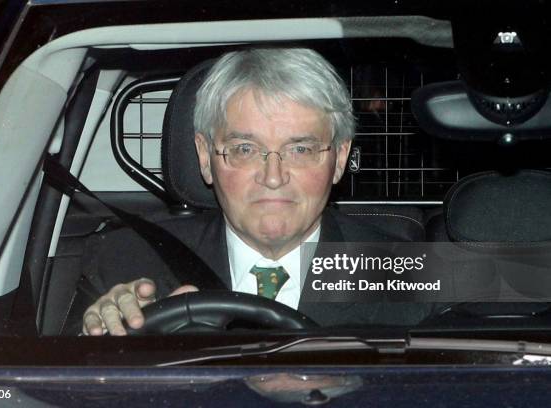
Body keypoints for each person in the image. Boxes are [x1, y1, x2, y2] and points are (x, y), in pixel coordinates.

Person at [82, 48, 419, 336]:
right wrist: (102, 340)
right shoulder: (125, 262)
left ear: (340, 158)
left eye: (300, 150)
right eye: (244, 149)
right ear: (204, 156)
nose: (273, 177)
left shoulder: (408, 274)